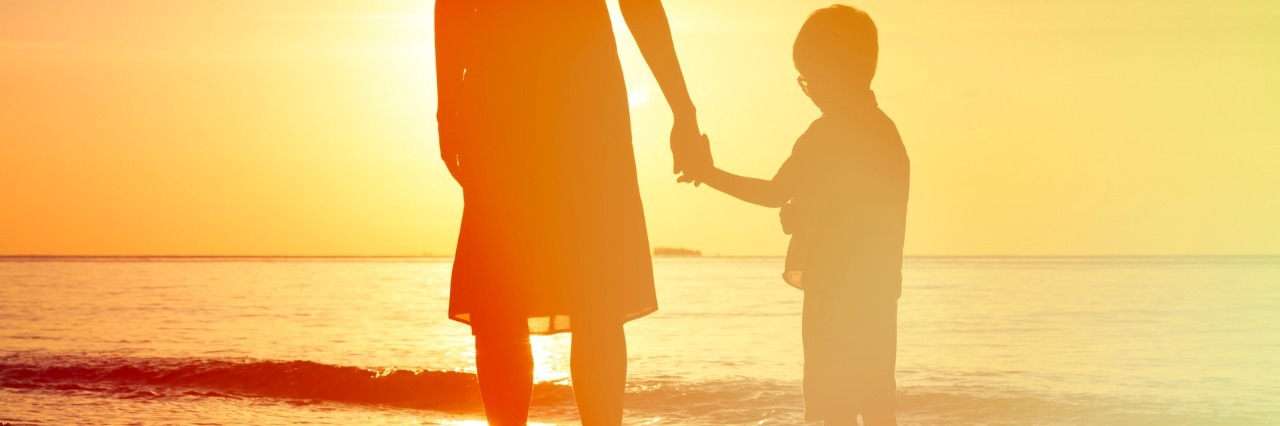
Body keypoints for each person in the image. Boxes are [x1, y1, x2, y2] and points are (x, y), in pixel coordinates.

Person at [433, 1, 701, 425]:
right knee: (511, 288)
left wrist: (683, 108)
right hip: (526, 89)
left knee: (588, 289)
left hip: (564, 91)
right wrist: (447, 109)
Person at [679, 5, 909, 425]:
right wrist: (806, 216)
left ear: (831, 72)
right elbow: (865, 213)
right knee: (877, 405)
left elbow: (773, 193)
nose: (807, 89)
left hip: (834, 298)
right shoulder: (886, 133)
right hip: (878, 297)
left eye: (809, 79)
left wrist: (707, 174)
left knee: (828, 409)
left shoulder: (825, 134)